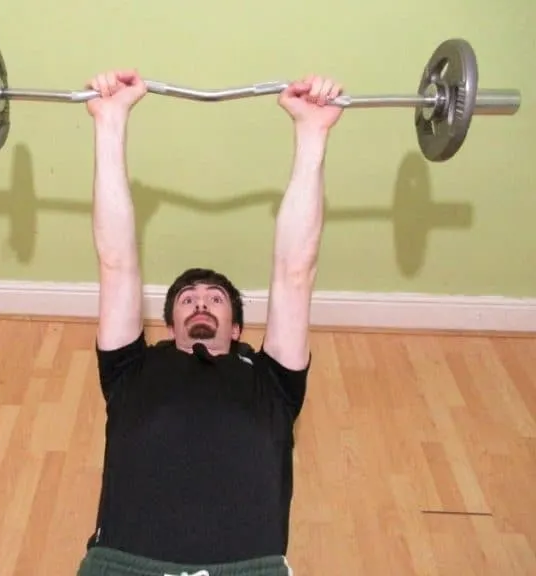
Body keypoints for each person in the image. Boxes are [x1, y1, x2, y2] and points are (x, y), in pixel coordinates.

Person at [78, 69, 344, 576]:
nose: (200, 303)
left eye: (215, 298)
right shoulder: (128, 372)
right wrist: (109, 123)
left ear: (239, 328)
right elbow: (116, 260)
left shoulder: (275, 382)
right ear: (170, 322)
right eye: (187, 299)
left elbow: (295, 272)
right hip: (124, 565)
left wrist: (312, 134)